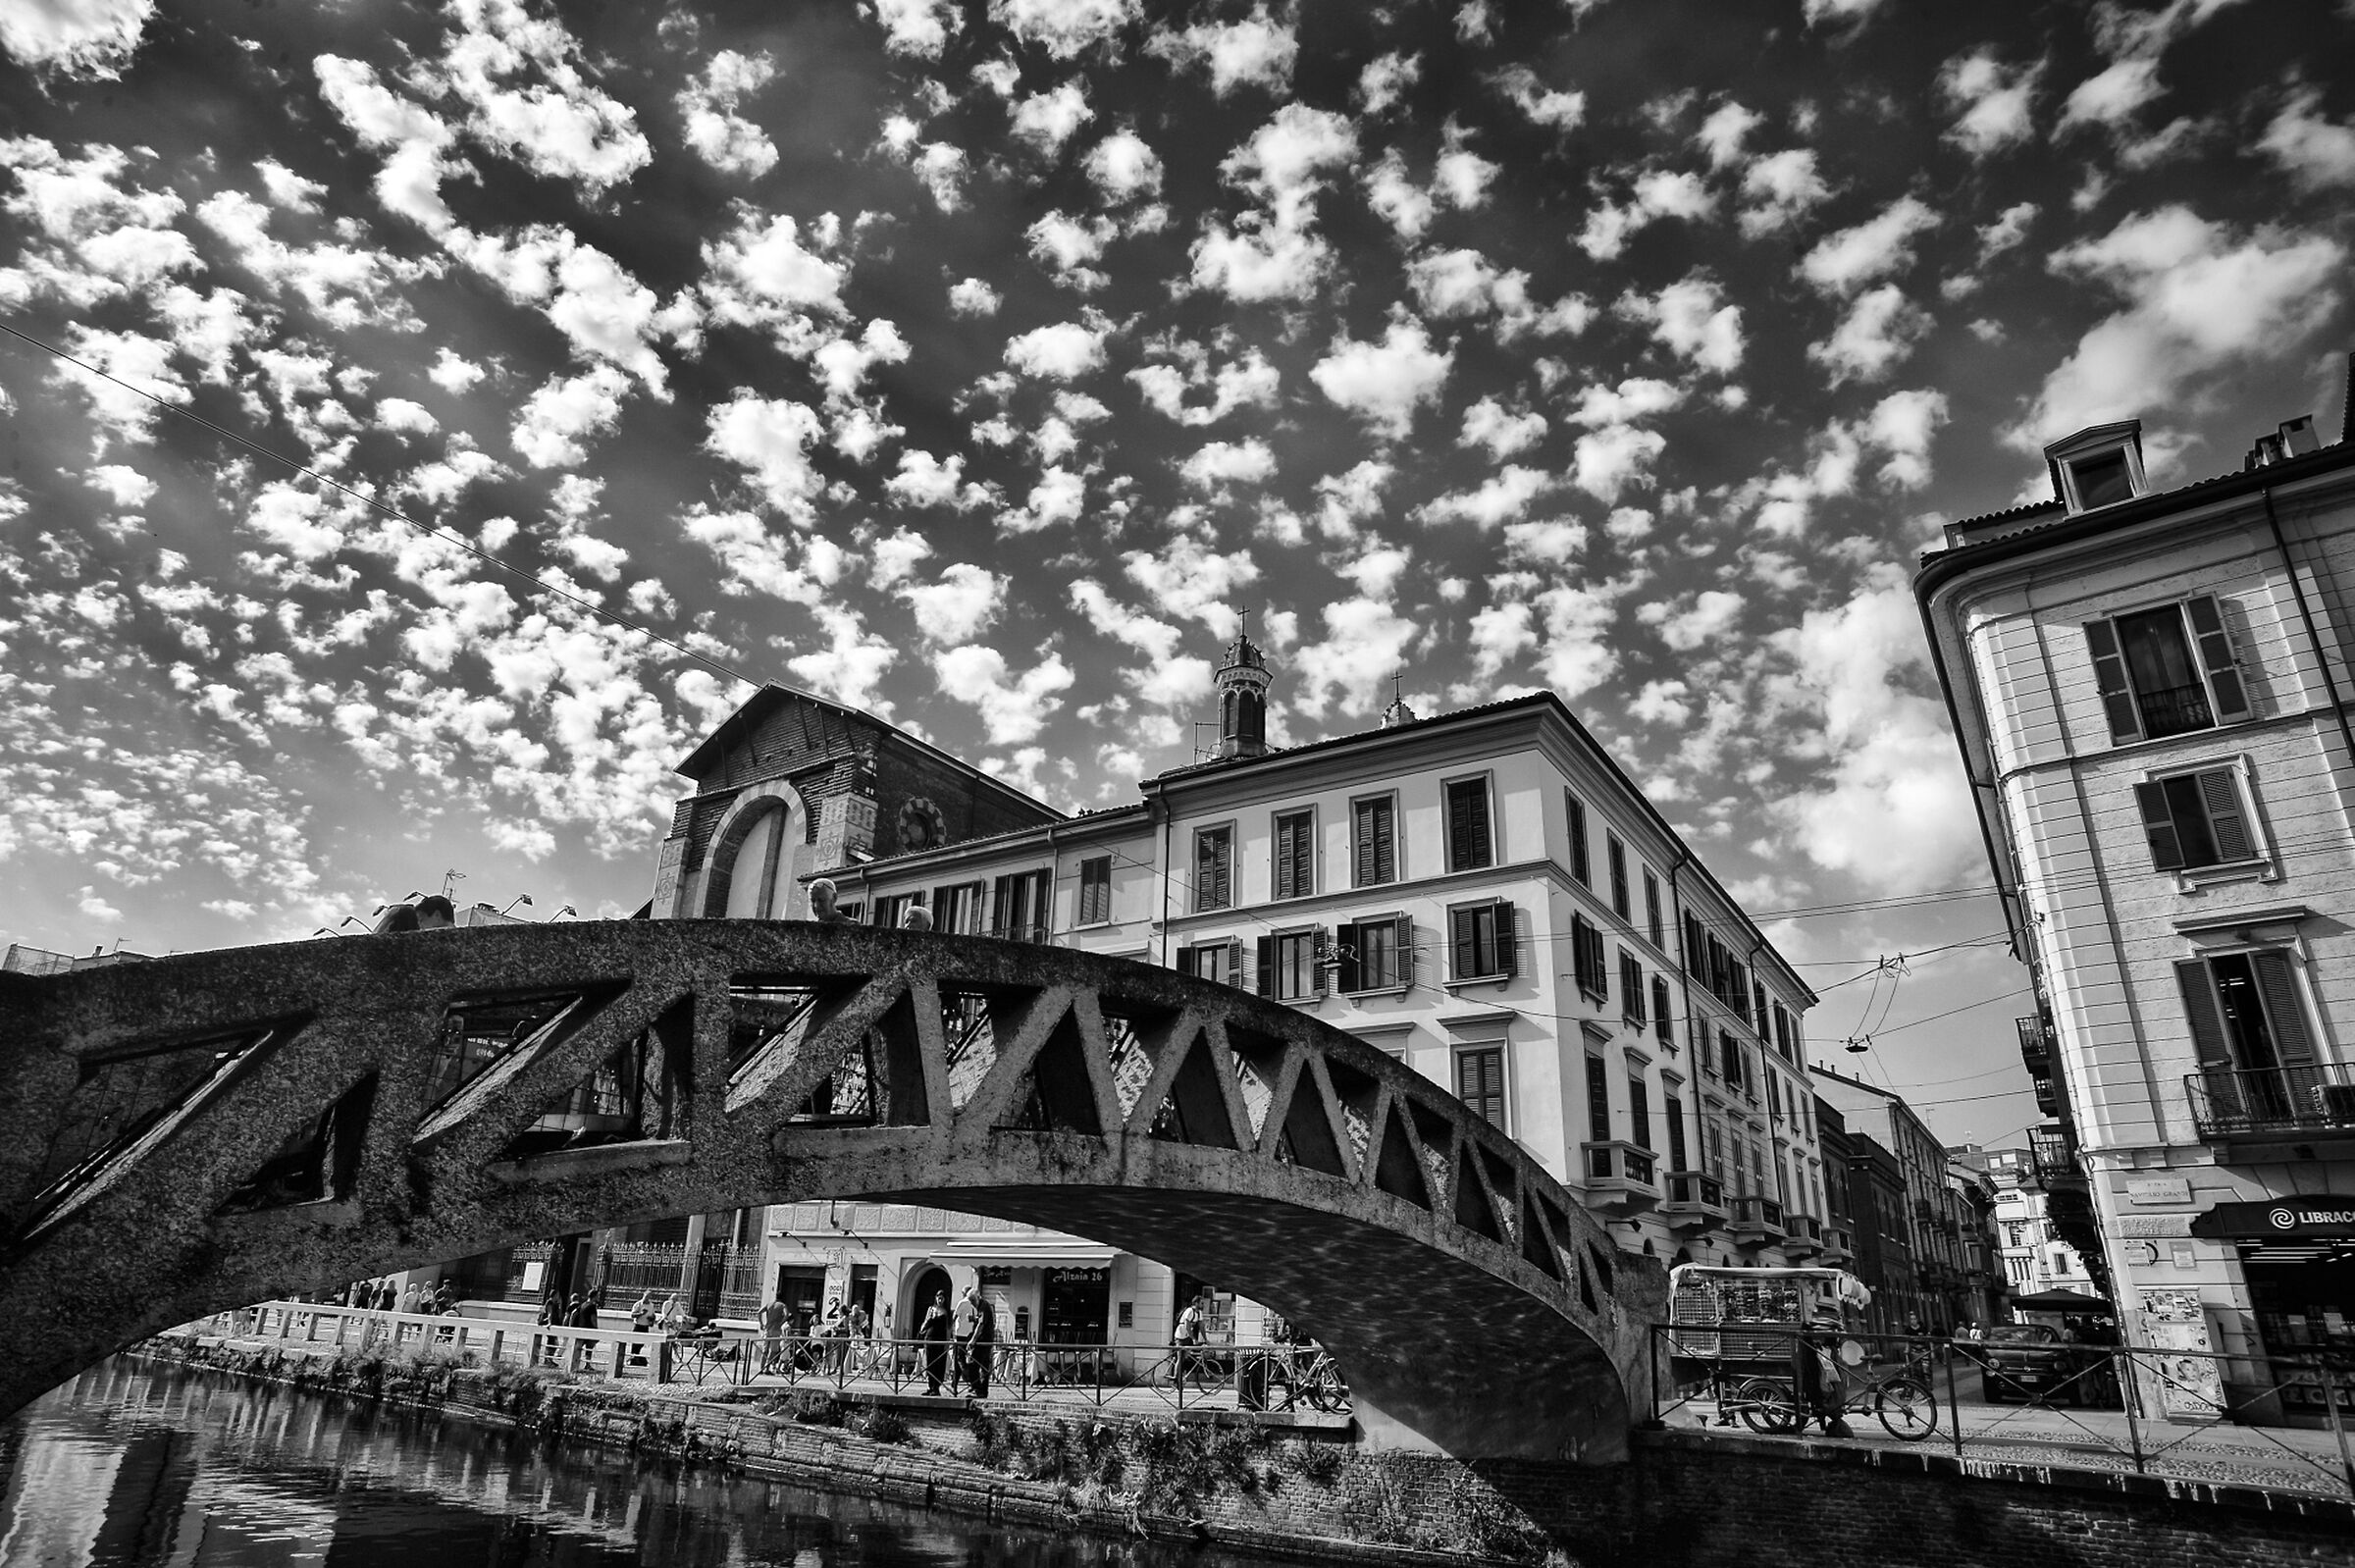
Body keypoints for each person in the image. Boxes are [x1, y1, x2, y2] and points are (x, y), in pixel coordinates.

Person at [919, 1288, 952, 1395]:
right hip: (930, 1338)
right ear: (936, 1298)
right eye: (938, 1298)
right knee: (930, 1364)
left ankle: (936, 1388)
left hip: (940, 1340)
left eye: (942, 1298)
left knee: (938, 1364)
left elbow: (948, 1329)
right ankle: (930, 1386)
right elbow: (925, 1322)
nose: (940, 1300)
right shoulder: (931, 1309)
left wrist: (947, 1343)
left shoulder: (946, 1312)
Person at [758, 1295, 788, 1374]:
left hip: (767, 1329)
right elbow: (786, 1314)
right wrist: (781, 1322)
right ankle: (766, 1368)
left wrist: (761, 1323)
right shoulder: (782, 1305)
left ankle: (761, 1368)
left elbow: (759, 1312)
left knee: (765, 1350)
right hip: (776, 1330)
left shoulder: (769, 1304)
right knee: (772, 1350)